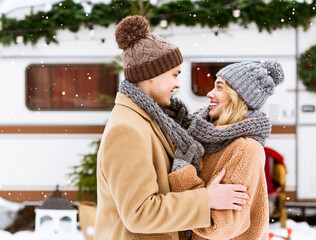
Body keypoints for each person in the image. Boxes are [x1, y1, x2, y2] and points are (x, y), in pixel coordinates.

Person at [94, 15, 249, 240]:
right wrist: (207, 200)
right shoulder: (127, 129)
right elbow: (140, 213)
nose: (177, 84)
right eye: (174, 74)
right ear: (151, 75)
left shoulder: (151, 119)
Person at [166, 60, 285, 240]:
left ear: (239, 97)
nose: (210, 94)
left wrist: (183, 173)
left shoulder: (245, 149)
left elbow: (218, 227)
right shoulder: (203, 136)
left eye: (219, 88)